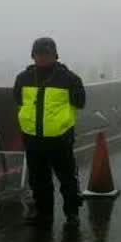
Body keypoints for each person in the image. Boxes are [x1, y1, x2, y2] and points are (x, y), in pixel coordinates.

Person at [14, 37, 86, 227]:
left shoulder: (69, 79)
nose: (43, 57)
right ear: (33, 56)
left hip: (60, 139)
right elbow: (19, 101)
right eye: (39, 54)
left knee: (67, 179)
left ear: (55, 55)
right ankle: (43, 214)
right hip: (32, 138)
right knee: (38, 180)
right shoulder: (23, 78)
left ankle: (72, 214)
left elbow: (80, 103)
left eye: (47, 54)